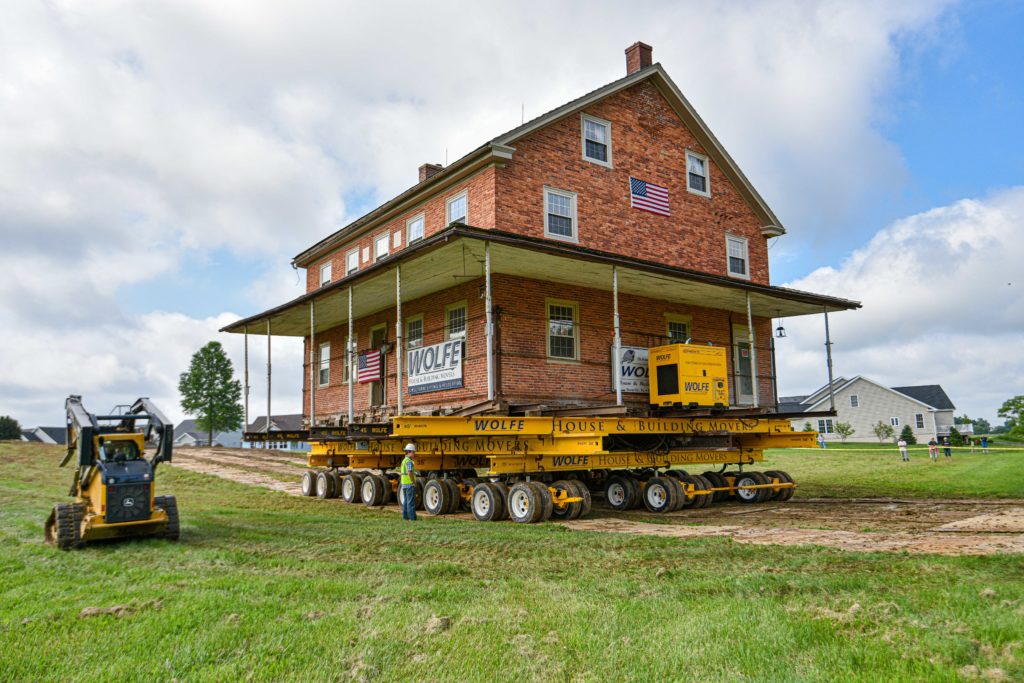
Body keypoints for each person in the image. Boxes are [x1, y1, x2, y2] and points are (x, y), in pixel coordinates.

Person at [400, 443, 418, 522]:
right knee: (410, 502)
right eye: (413, 452)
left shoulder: (404, 461)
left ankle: (405, 517)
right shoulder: (409, 462)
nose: (414, 454)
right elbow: (410, 472)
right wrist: (413, 482)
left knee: (406, 502)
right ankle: (412, 518)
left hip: (404, 484)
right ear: (409, 452)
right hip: (409, 484)